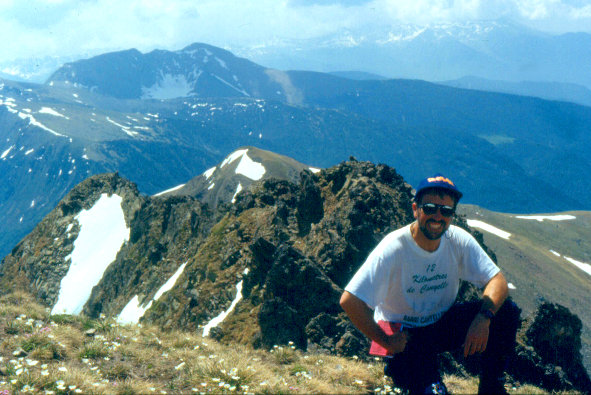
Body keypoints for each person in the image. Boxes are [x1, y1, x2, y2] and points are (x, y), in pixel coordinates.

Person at [340, 174, 521, 394]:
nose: (438, 217)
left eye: (446, 211)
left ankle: (492, 388)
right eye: (430, 208)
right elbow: (350, 300)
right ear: (415, 209)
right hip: (407, 335)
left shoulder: (457, 239)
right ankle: (408, 373)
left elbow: (497, 280)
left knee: (505, 310)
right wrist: (386, 341)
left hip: (441, 323)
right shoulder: (393, 249)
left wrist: (484, 318)